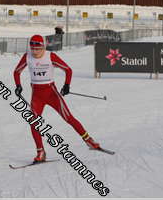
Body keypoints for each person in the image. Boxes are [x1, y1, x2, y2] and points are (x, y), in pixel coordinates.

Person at [13, 34, 100, 163]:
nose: (35, 52)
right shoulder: (27, 57)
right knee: (33, 122)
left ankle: (89, 140)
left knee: (68, 118)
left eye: (38, 49)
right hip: (37, 94)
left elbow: (68, 70)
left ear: (43, 47)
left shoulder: (50, 56)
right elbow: (16, 72)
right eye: (33, 49)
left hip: (51, 93)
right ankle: (40, 152)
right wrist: (18, 86)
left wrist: (67, 85)